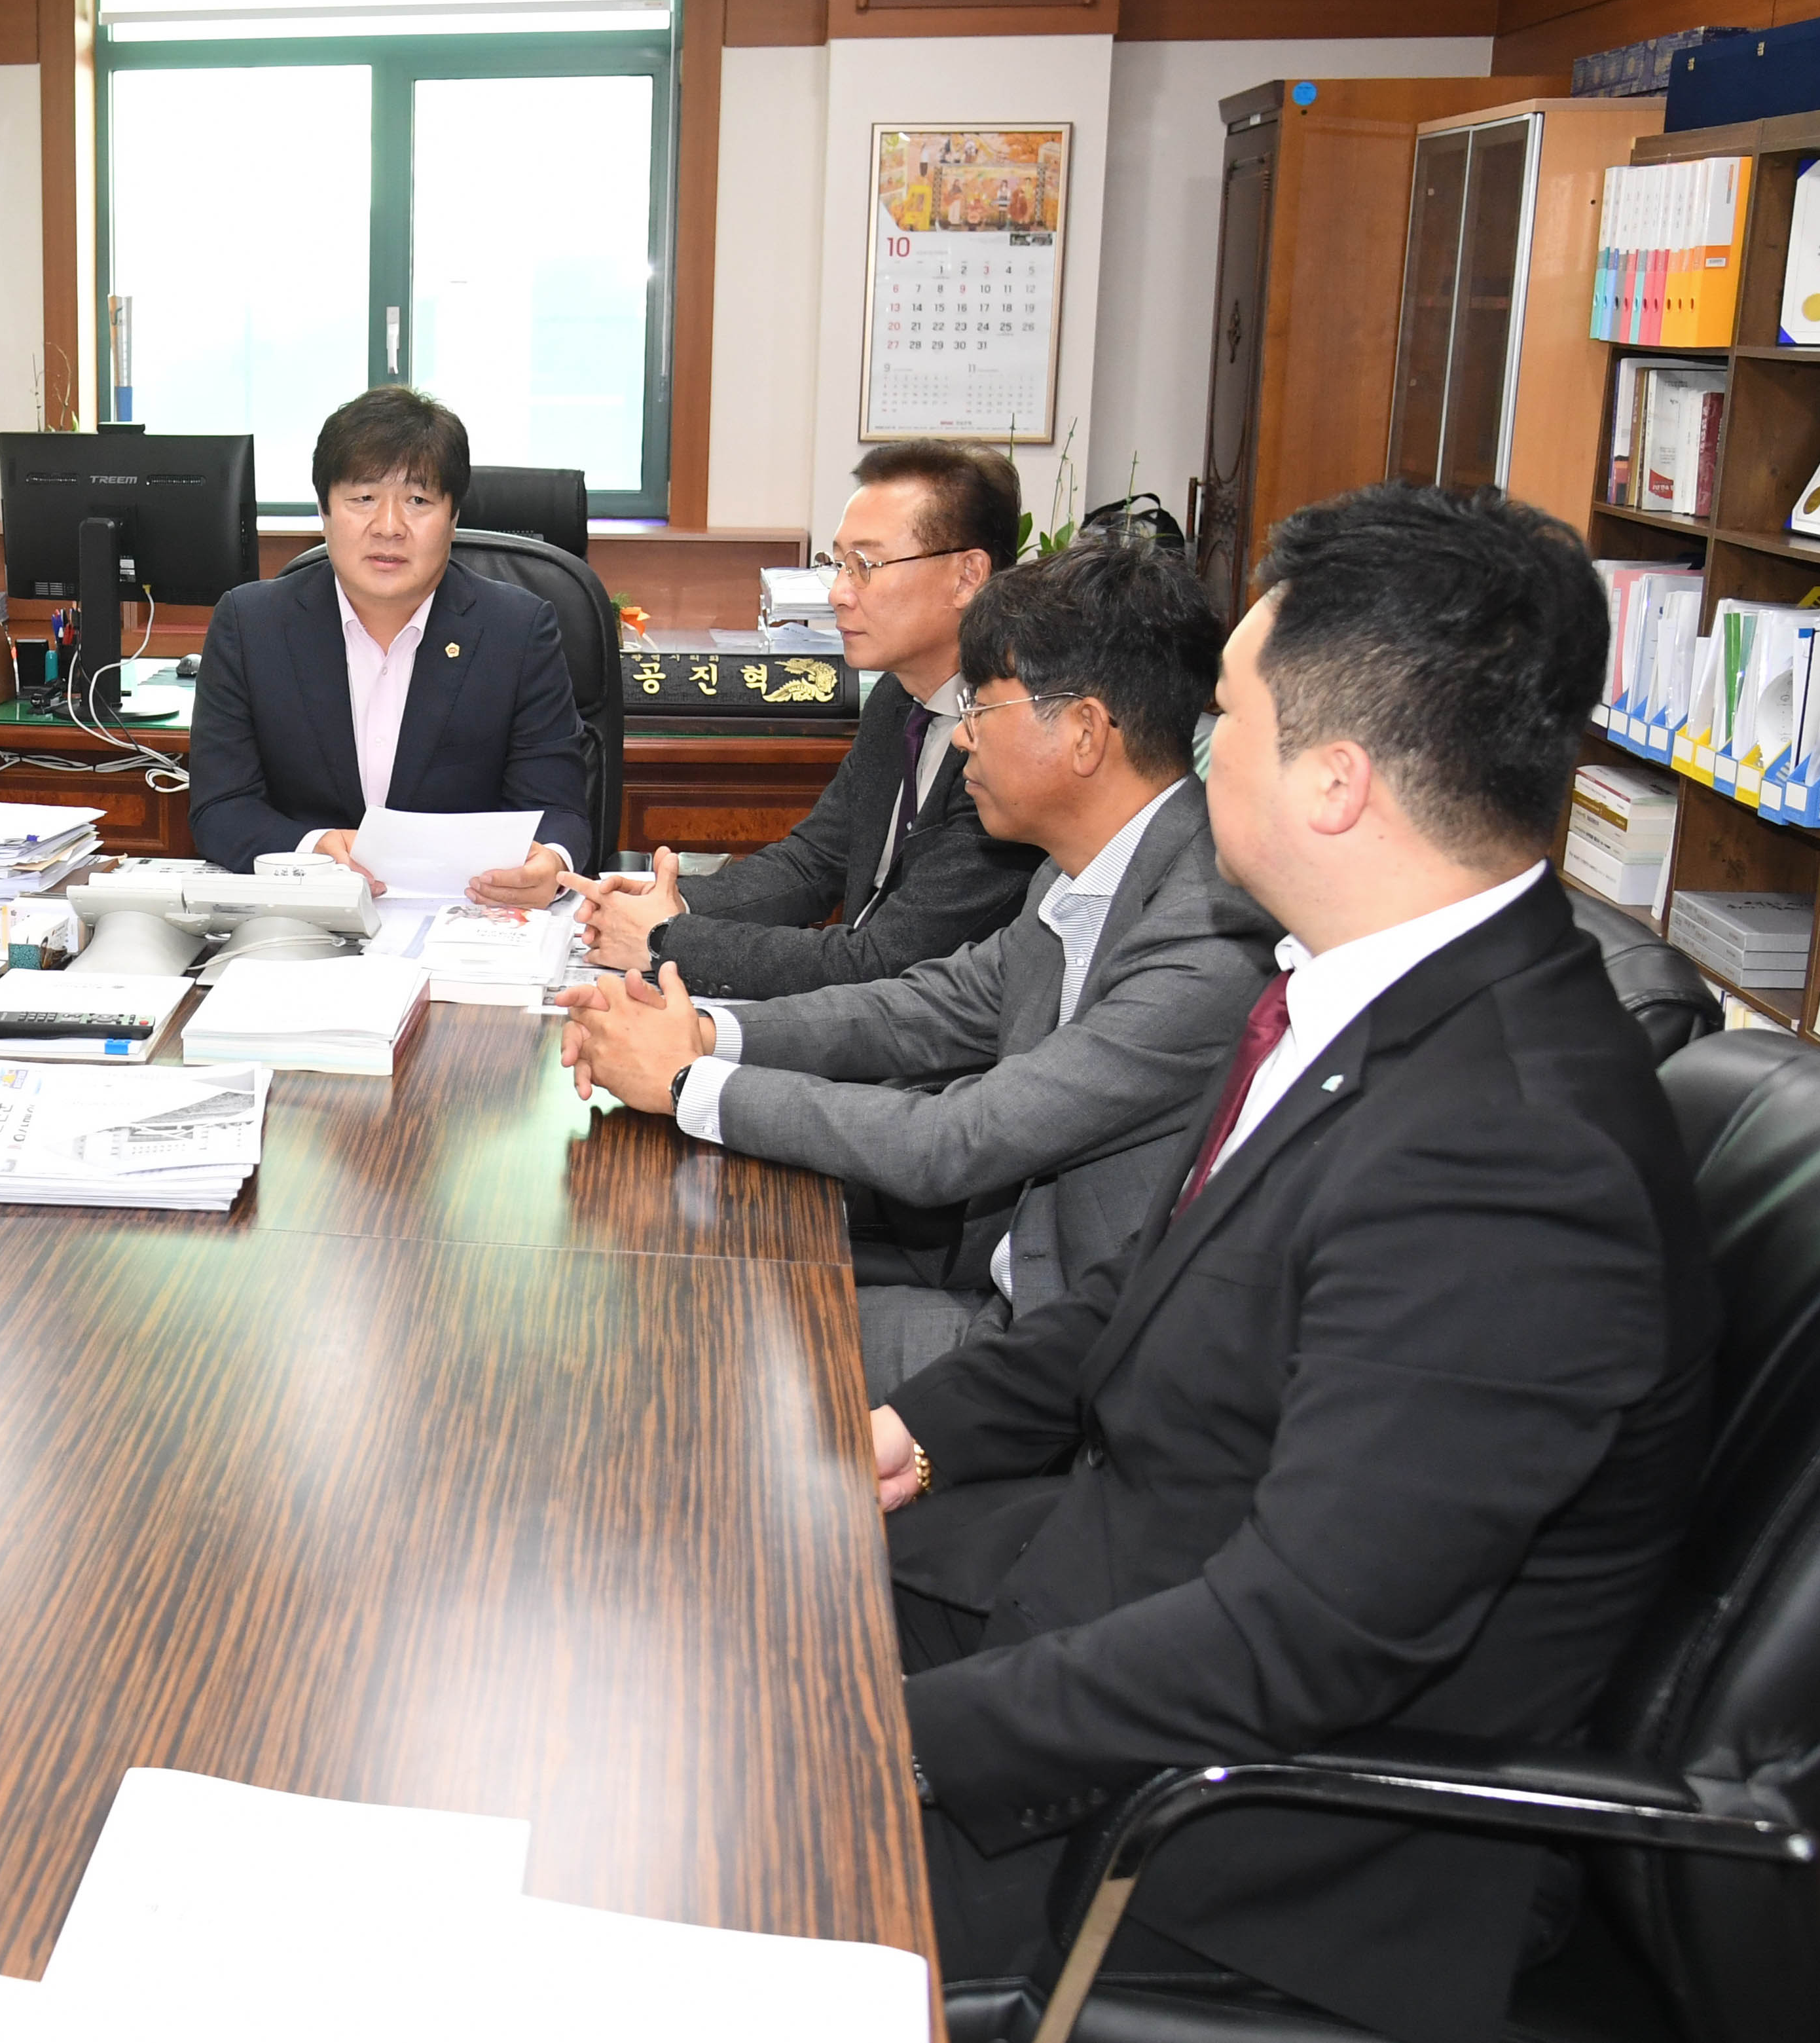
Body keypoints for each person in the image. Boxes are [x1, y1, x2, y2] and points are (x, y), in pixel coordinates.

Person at [869, 485, 1714, 2043]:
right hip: (1101, 1595)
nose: (1194, 759)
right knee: (691, 1600)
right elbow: (1149, 1291)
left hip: (1226, 1849)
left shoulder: (1513, 1159)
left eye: (1224, 722)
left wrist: (880, 1743)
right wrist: (916, 1426)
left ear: (1330, 785)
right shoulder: (1368, 997)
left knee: (662, 1862)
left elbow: (1289, 1642)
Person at [560, 542, 1277, 1396]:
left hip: (1052, 1359)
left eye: (987, 706)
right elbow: (919, 1009)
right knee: (658, 1273)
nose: (963, 733)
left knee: (686, 1331)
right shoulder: (1081, 866)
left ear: (1083, 731)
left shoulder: (1200, 932)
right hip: (984, 1269)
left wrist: (685, 1078)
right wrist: (711, 1030)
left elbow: (956, 1138)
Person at [570, 440, 1039, 995]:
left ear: (967, 577)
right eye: (837, 564)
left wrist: (666, 939)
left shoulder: (1014, 740)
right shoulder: (897, 696)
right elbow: (815, 862)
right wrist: (667, 900)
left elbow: (882, 963)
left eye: (864, 566)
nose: (838, 593)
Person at [185, 386, 594, 898]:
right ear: (324, 510)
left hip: (465, 915)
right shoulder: (251, 625)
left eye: (418, 501)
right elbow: (220, 808)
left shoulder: (517, 630)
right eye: (362, 499)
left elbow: (559, 812)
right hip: (304, 914)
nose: (388, 527)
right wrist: (312, 850)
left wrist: (549, 866)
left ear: (453, 516)